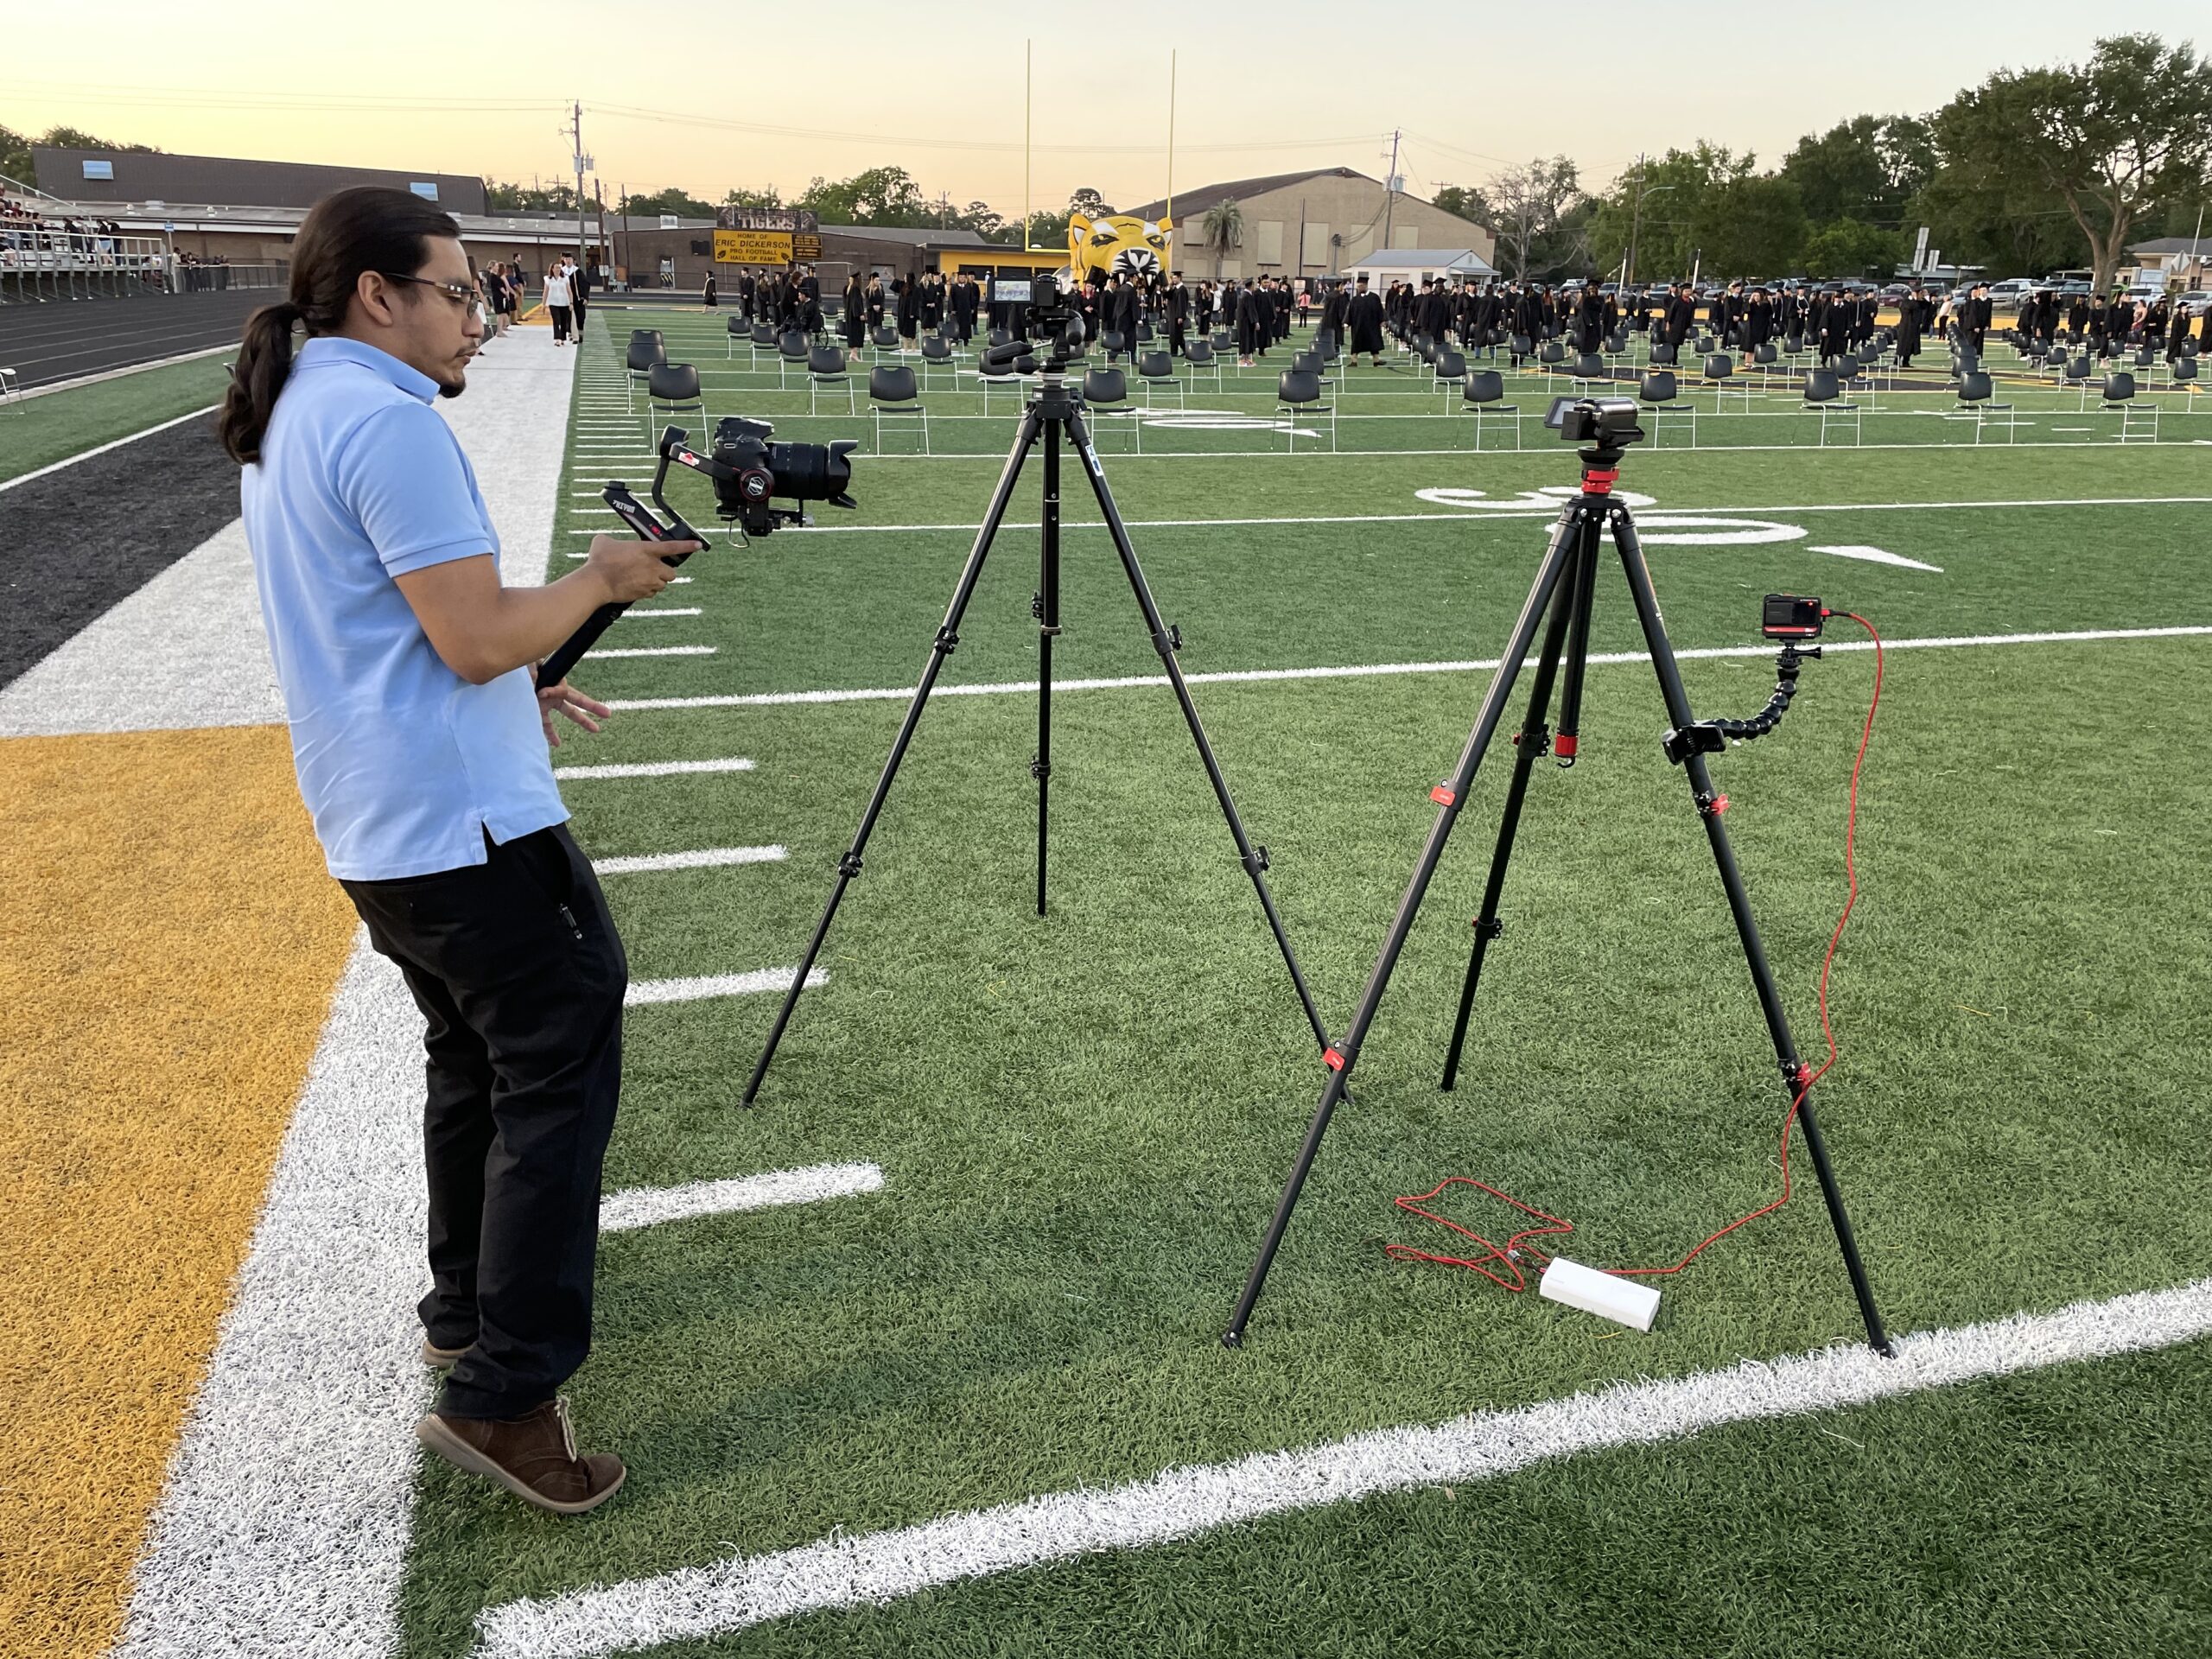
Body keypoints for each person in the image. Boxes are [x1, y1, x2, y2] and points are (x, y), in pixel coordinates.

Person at [222, 187, 690, 1514]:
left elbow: (396, 631)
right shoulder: (386, 421)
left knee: (474, 1058)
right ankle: (505, 1396)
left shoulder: (300, 408)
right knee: (555, 1052)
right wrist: (597, 581)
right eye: (460, 291)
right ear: (380, 294)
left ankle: (467, 1305)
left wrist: (506, 686)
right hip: (460, 823)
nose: (480, 319)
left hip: (385, 809)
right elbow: (476, 631)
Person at [1346, 274, 1386, 365]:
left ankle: (1376, 361)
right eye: (1358, 286)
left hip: (1372, 326)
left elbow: (1380, 310)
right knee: (1356, 343)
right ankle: (1354, 361)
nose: (1358, 288)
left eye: (1360, 286)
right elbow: (1350, 312)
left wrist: (1382, 320)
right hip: (1358, 326)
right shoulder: (1355, 299)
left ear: (1365, 286)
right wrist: (1347, 323)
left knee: (1374, 343)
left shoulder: (1374, 298)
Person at [543, 260, 571, 345]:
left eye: (559, 268)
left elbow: (569, 291)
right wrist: (543, 304)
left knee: (563, 321)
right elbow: (545, 292)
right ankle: (557, 338)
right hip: (553, 302)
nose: (558, 269)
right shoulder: (548, 279)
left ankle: (562, 338)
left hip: (564, 302)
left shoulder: (565, 278)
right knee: (556, 320)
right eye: (556, 268)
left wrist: (571, 302)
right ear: (552, 269)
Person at [842, 272, 867, 359]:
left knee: (852, 333)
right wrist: (860, 314)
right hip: (855, 315)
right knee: (856, 333)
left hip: (849, 314)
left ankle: (853, 353)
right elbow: (855, 302)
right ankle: (854, 354)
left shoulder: (847, 288)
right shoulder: (855, 288)